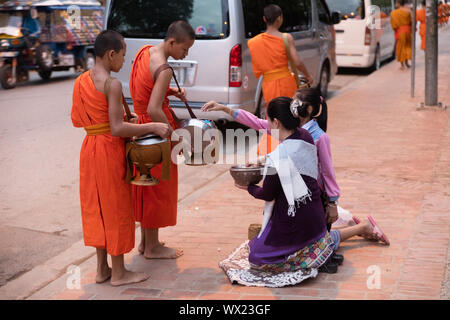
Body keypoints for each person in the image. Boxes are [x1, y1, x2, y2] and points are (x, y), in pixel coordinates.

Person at [220, 97, 389, 287]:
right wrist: (262, 160)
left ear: (276, 122)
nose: (266, 124)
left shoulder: (279, 156)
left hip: (295, 223)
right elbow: (290, 162)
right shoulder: (305, 136)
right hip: (315, 218)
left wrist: (248, 187)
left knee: (256, 256)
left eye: (268, 120)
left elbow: (267, 194)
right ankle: (360, 228)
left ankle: (336, 240)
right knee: (319, 241)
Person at [71, 30, 171, 286]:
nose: (124, 61)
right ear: (111, 54)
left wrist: (121, 122)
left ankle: (101, 269)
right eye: (123, 55)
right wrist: (152, 127)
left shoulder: (82, 79)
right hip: (108, 150)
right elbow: (116, 129)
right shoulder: (111, 84)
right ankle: (119, 273)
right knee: (115, 208)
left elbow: (77, 119)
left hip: (89, 148)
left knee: (97, 208)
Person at [129, 21, 195, 259]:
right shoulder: (165, 69)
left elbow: (145, 89)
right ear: (172, 42)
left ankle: (146, 243)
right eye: (184, 50)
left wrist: (171, 91)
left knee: (147, 184)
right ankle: (154, 248)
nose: (185, 55)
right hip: (156, 128)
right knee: (158, 186)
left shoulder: (145, 52)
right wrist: (172, 134)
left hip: (140, 127)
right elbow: (155, 108)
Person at [248, 4, 313, 156]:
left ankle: (268, 152)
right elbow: (297, 61)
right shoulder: (286, 38)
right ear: (280, 19)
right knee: (289, 118)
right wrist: (308, 76)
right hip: (286, 82)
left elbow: (257, 71)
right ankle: (290, 151)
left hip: (268, 85)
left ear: (264, 19)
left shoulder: (254, 42)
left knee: (272, 119)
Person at [391, 0, 412, 70]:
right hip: (408, 31)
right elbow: (412, 21)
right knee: (407, 46)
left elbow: (394, 25)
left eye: (396, 3)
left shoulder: (394, 13)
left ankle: (402, 65)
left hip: (400, 31)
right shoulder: (408, 11)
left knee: (400, 47)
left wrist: (396, 29)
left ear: (398, 3)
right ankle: (407, 63)